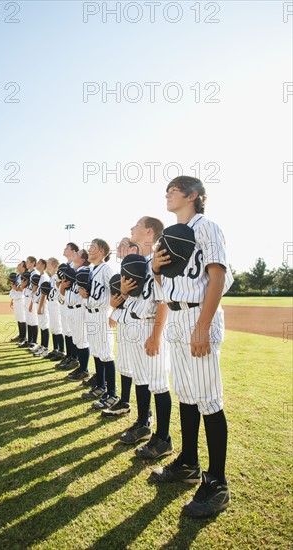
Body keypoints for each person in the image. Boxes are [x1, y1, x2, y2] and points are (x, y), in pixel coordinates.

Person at [150, 175, 233, 518]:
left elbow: (217, 276)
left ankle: (217, 484)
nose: (167, 194)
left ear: (193, 195)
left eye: (173, 190)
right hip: (177, 317)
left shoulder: (207, 226)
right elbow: (166, 286)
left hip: (200, 315)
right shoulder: (171, 236)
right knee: (185, 394)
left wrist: (202, 327)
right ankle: (188, 463)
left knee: (208, 399)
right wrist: (154, 270)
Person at [118, 218, 172, 462]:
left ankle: (163, 439)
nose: (132, 229)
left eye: (136, 225)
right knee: (141, 378)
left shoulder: (160, 258)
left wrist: (156, 336)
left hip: (151, 325)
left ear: (149, 231)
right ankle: (143, 423)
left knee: (159, 383)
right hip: (135, 324)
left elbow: (163, 301)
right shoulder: (138, 263)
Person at [79, 238, 118, 410]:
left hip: (102, 314)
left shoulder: (107, 269)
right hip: (91, 314)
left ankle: (112, 393)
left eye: (93, 248)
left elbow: (118, 290)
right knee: (97, 352)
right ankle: (100, 386)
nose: (89, 250)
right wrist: (84, 294)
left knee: (106, 355)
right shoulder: (93, 269)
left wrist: (114, 313)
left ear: (102, 251)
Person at [101, 238, 138, 417]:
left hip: (138, 322)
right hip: (124, 320)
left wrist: (117, 304)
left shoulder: (139, 266)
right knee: (124, 363)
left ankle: (145, 414)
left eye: (122, 244)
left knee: (141, 369)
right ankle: (124, 401)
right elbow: (119, 298)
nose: (118, 247)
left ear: (132, 248)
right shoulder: (122, 270)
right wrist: (114, 308)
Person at [65, 249, 91, 382]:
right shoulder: (73, 271)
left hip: (79, 308)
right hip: (70, 308)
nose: (74, 254)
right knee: (76, 339)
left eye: (77, 254)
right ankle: (81, 367)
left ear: (82, 260)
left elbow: (85, 292)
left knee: (82, 340)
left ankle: (84, 369)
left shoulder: (84, 271)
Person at [56, 242, 80, 368]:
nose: (64, 249)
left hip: (74, 303)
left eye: (67, 248)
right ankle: (70, 355)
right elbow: (59, 284)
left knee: (73, 332)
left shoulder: (75, 266)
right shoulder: (65, 266)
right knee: (67, 330)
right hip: (65, 301)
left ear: (74, 251)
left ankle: (74, 358)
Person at [44, 257, 65, 361]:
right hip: (50, 303)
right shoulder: (51, 277)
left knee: (58, 327)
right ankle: (55, 349)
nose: (46, 265)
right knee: (53, 327)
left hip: (56, 303)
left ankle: (61, 351)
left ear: (53, 265)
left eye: (48, 264)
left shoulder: (57, 275)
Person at [31, 259, 51, 357]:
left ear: (43, 265)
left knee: (44, 325)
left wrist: (41, 307)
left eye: (38, 263)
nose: (37, 265)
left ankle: (45, 348)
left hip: (43, 304)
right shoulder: (41, 276)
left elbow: (44, 293)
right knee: (42, 325)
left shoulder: (45, 277)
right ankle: (42, 345)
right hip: (39, 303)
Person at [18, 256, 39, 348]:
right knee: (29, 320)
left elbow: (35, 289)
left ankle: (33, 341)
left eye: (28, 261)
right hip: (26, 297)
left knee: (33, 320)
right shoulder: (28, 273)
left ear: (33, 263)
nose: (26, 263)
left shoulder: (35, 273)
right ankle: (29, 340)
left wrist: (32, 302)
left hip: (32, 298)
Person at [9, 261, 27, 343]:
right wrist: (12, 299)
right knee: (18, 318)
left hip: (22, 299)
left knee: (22, 318)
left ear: (23, 267)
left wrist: (15, 288)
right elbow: (14, 288)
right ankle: (20, 336)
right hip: (16, 299)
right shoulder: (17, 275)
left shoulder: (25, 276)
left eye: (20, 264)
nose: (18, 265)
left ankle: (24, 337)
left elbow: (22, 289)